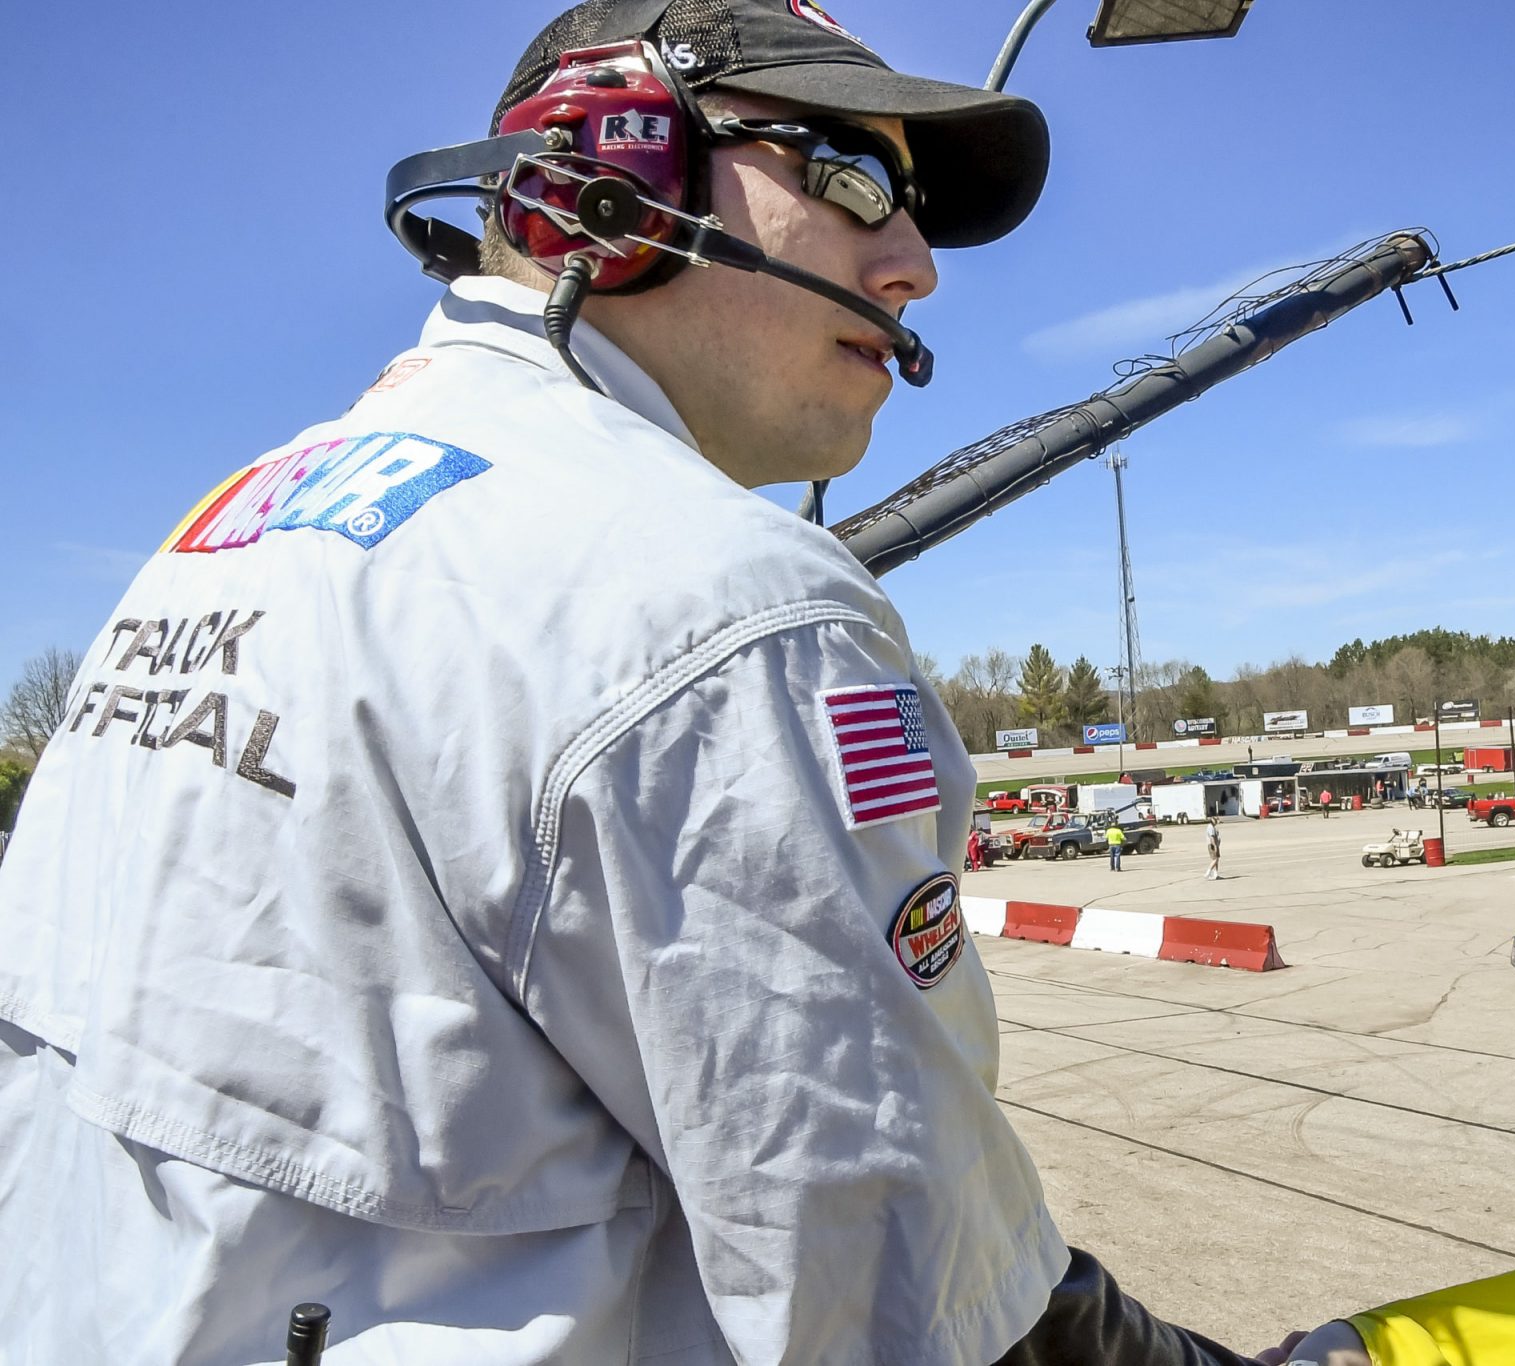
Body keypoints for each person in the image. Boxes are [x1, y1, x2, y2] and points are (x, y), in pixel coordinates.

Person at [0, 4, 1355, 1362]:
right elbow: (924, 1307)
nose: (915, 266)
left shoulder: (229, 525)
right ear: (614, 179)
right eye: (856, 180)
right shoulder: (729, 609)